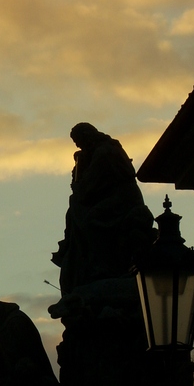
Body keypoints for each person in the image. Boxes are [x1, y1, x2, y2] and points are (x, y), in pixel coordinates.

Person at [52, 123, 153, 294]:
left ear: (87, 136)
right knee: (76, 213)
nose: (78, 146)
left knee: (90, 220)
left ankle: (103, 266)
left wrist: (80, 178)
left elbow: (88, 187)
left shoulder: (105, 152)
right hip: (113, 197)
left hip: (122, 200)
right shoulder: (98, 151)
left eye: (79, 141)